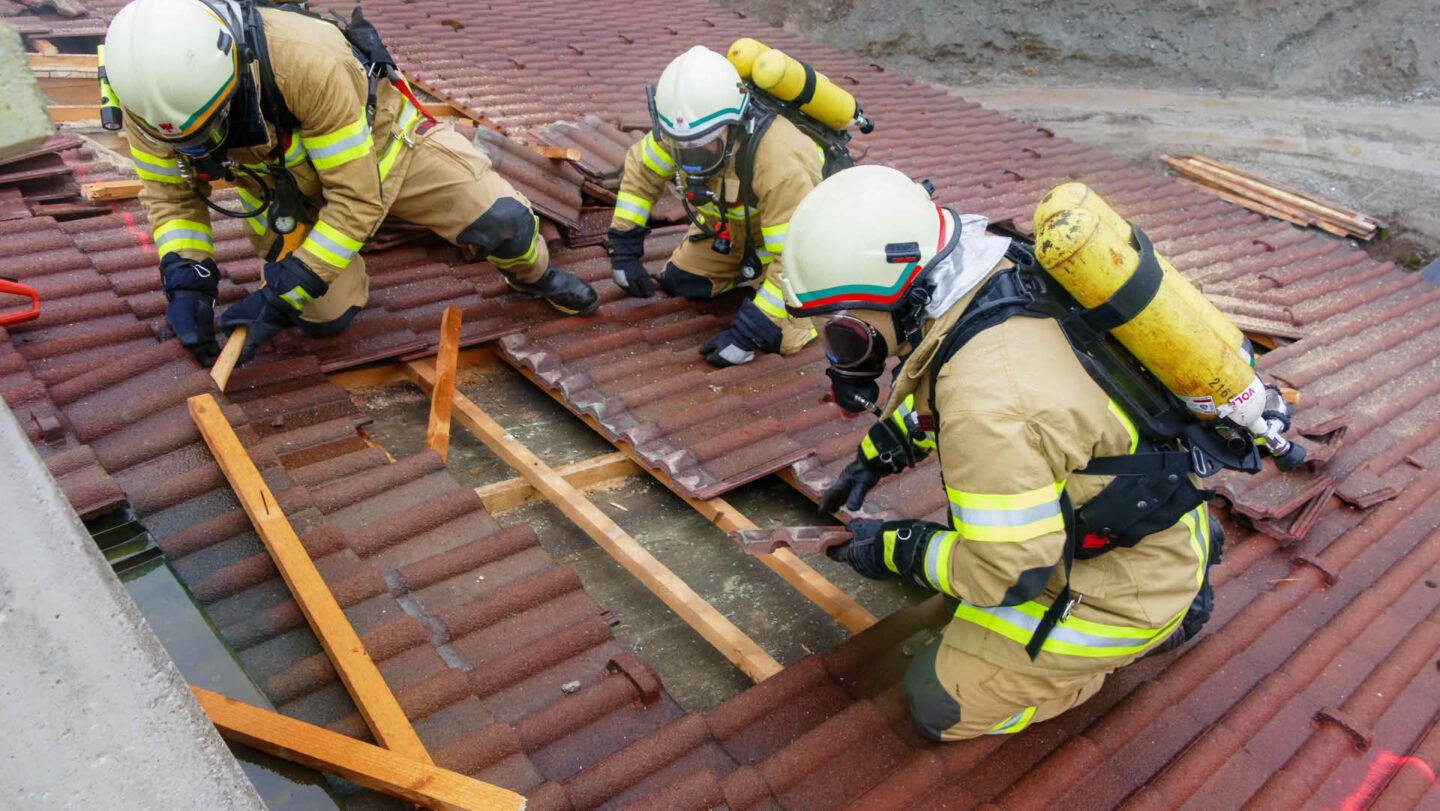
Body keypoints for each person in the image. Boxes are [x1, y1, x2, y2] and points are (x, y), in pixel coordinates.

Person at [779, 165, 1222, 740]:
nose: (837, 356)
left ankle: (1146, 636)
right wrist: (877, 454)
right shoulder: (993, 276)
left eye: (842, 334)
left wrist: (897, 548)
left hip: (1113, 586)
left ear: (900, 294)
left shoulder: (987, 402)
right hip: (1147, 514)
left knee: (938, 705)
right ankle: (1178, 587)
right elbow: (970, 399)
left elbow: (1010, 574)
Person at [103, 0, 598, 367]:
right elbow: (172, 198)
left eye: (215, 125)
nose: (205, 143)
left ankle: (534, 277)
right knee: (322, 319)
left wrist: (286, 288)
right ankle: (332, 271)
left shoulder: (308, 61)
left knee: (506, 223)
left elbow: (356, 196)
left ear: (235, 67)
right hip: (285, 192)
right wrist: (188, 283)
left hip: (386, 150)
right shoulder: (147, 99)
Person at [605, 45, 818, 367]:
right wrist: (624, 247)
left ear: (733, 126)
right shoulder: (686, 131)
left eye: (701, 145)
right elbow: (642, 170)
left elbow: (797, 258)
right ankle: (757, 269)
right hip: (741, 233)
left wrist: (749, 333)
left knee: (779, 340)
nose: (689, 156)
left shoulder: (778, 162)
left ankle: (818, 305)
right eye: (680, 147)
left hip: (807, 247)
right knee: (682, 281)